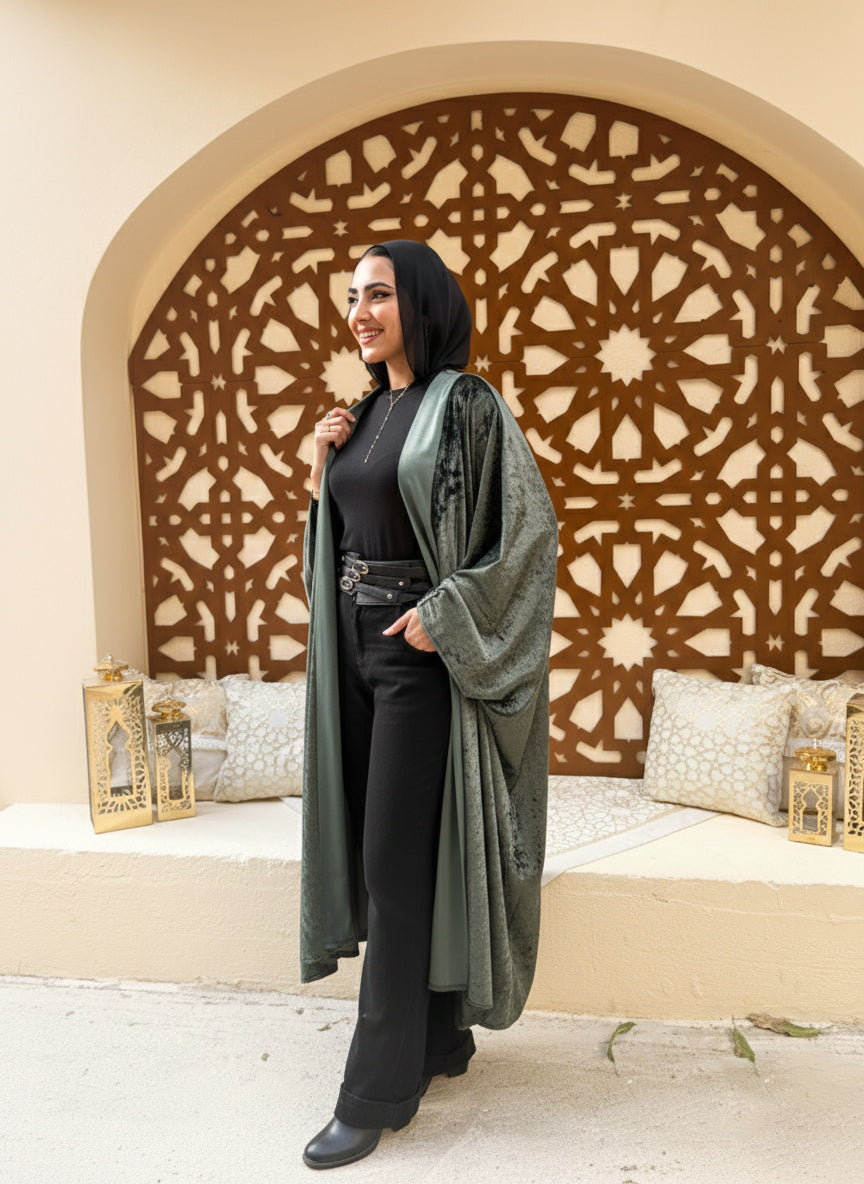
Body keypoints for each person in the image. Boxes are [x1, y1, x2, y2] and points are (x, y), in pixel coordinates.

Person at [300, 240, 558, 1170]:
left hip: (419, 659)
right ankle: (441, 1040)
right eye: (353, 297)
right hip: (357, 653)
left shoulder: (466, 406)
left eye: (378, 293)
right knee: (397, 858)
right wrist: (320, 461)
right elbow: (350, 531)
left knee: (392, 869)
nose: (360, 311)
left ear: (420, 300)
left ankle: (375, 1093)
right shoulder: (365, 411)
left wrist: (442, 617)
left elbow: (527, 537)